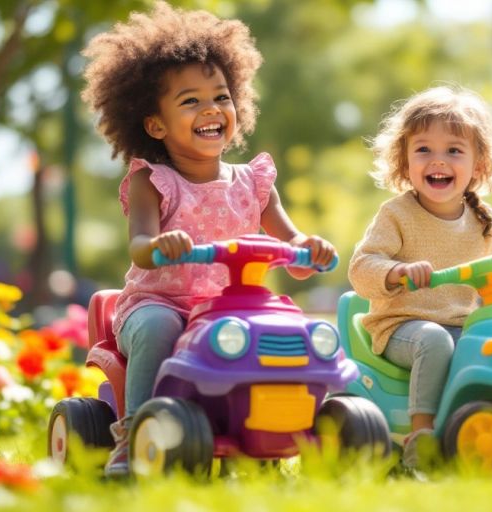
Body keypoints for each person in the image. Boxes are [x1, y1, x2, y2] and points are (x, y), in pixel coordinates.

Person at [80, 2, 336, 476]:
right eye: (190, 101)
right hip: (161, 304)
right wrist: (160, 245)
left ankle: (278, 427)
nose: (212, 109)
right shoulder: (152, 180)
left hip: (233, 309)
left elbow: (293, 245)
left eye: (221, 96)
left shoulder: (255, 180)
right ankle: (136, 432)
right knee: (160, 329)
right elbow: (139, 244)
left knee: (285, 333)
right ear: (155, 124)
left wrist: (310, 250)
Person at [348, 86, 492, 468]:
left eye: (454, 150)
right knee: (434, 340)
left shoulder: (482, 220)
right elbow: (361, 267)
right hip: (403, 325)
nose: (438, 160)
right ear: (405, 160)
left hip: (464, 324)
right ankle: (422, 432)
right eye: (424, 149)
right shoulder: (396, 214)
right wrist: (396, 272)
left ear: (478, 164)